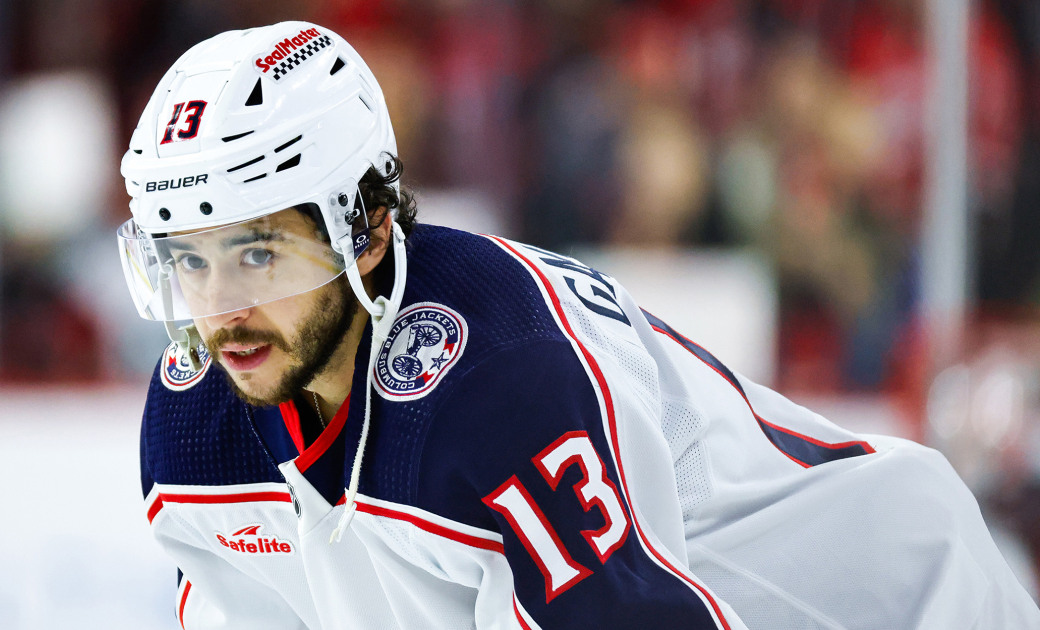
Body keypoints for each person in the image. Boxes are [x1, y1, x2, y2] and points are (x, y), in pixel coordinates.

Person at [115, 22, 1040, 629]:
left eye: (258, 254)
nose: (220, 307)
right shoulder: (193, 427)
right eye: (187, 259)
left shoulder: (495, 382)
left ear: (368, 228)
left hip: (894, 601)